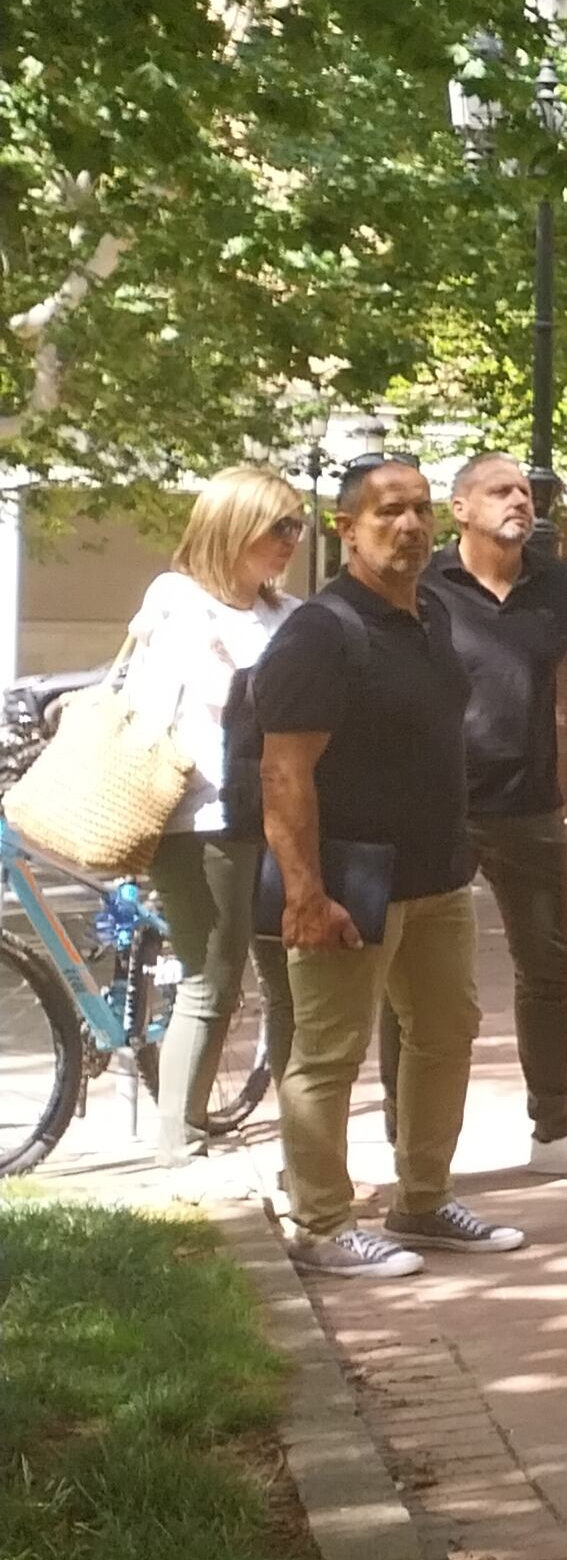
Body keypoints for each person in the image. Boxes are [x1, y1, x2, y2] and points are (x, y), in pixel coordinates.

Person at [260, 454, 523, 1275]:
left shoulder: (432, 616)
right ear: (346, 529)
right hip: (349, 882)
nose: (408, 527)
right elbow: (283, 770)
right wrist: (306, 892)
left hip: (438, 874)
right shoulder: (322, 630)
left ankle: (421, 1201)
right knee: (329, 1055)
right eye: (385, 513)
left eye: (417, 510)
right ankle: (321, 1224)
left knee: (446, 1034)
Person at [416, 453, 567, 1177]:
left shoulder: (556, 586)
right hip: (431, 810)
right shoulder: (422, 585)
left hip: (530, 808)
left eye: (528, 493)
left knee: (547, 969)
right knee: (410, 985)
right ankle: (405, 1144)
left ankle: (556, 1131)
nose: (522, 502)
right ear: (460, 508)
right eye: (502, 491)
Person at [130, 464, 302, 1165]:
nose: (292, 540)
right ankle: (180, 1140)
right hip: (203, 818)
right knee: (213, 979)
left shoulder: (283, 614)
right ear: (233, 527)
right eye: (279, 527)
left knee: (293, 978)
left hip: (278, 813)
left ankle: (305, 1140)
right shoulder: (178, 600)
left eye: (298, 526)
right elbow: (216, 690)